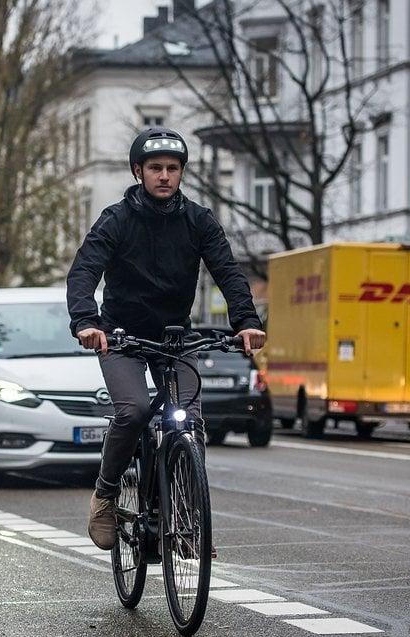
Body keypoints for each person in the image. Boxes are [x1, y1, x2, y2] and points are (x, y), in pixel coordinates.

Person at [66, 127, 266, 550]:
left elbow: (228, 271)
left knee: (189, 423)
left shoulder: (199, 221)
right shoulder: (116, 219)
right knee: (135, 410)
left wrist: (245, 321)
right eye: (155, 168)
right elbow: (85, 271)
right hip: (121, 337)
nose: (164, 176)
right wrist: (88, 322)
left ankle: (188, 519)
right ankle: (104, 495)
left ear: (181, 173)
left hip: (176, 338)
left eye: (172, 169)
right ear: (138, 171)